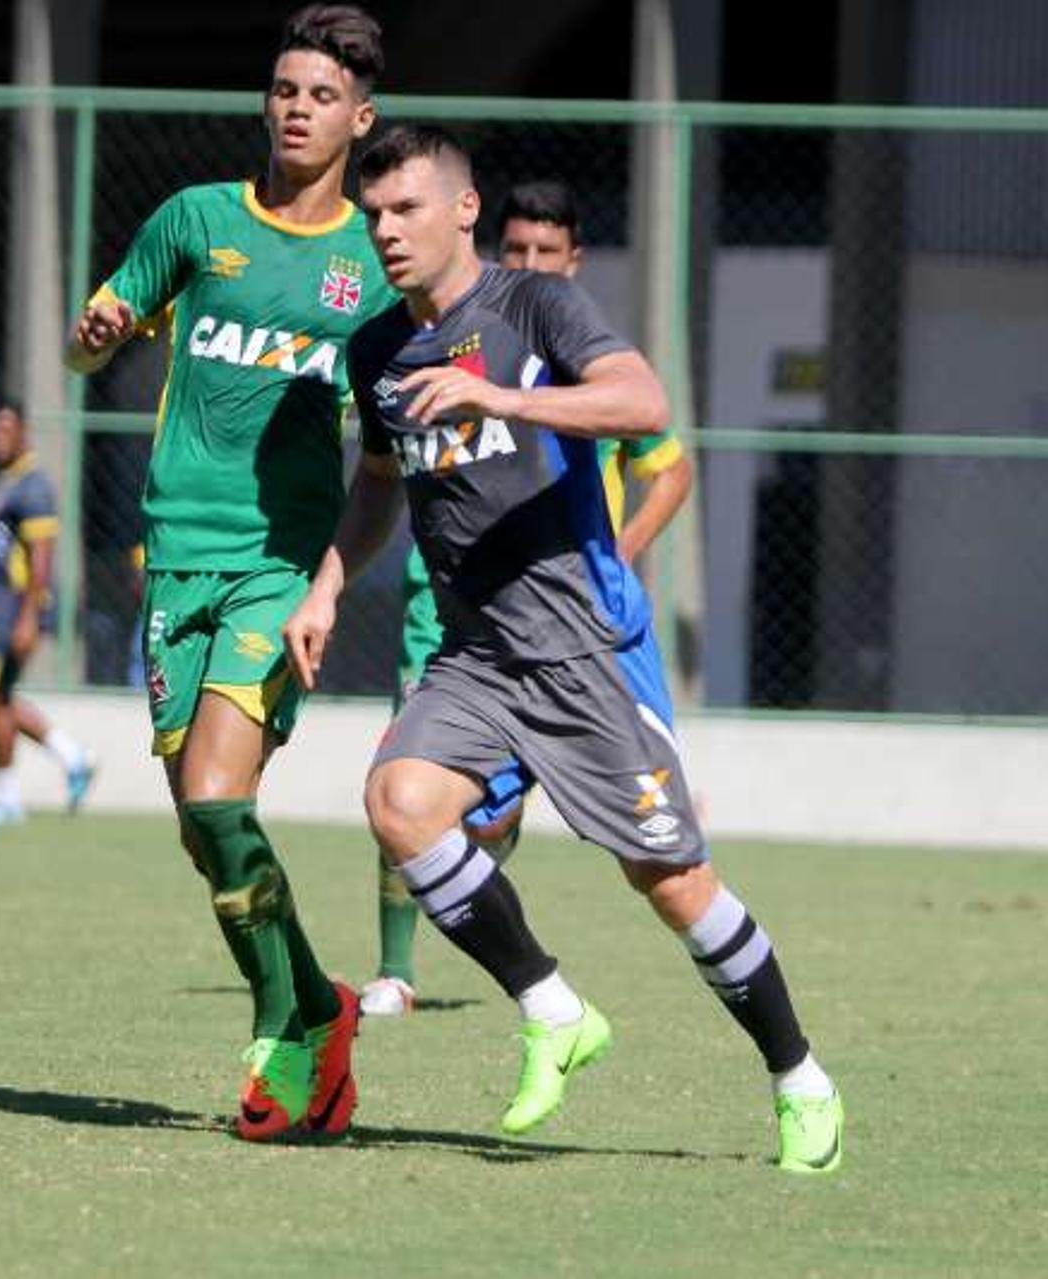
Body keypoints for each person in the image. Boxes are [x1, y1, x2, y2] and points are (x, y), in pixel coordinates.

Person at [283, 125, 843, 1172]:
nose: (385, 231)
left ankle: (798, 1072)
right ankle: (552, 1005)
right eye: (372, 216)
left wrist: (502, 394)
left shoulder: (536, 306)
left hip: (577, 654)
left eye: (405, 209)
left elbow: (645, 403)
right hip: (476, 655)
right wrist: (326, 583)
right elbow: (377, 485)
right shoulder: (377, 353)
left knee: (671, 882)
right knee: (399, 805)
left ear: (463, 209)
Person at [63, 4, 393, 1142]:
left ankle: (279, 1015)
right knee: (204, 830)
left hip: (274, 569)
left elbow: (391, 454)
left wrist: (331, 582)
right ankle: (317, 1004)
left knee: (216, 794)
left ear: (362, 116)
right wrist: (96, 329)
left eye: (321, 94)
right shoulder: (198, 220)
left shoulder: (372, 266)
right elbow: (89, 335)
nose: (298, 108)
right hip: (175, 563)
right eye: (285, 88)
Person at [361, 177, 696, 1017]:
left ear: (572, 263)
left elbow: (669, 462)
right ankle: (403, 969)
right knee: (411, 796)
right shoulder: (408, 342)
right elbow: (377, 468)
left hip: (588, 622)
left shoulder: (575, 350)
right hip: (455, 616)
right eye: (519, 251)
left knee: (657, 857)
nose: (530, 263)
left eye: (548, 254)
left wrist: (618, 551)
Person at [0, 401, 96, 826]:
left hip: (12, 610)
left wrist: (29, 616)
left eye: (5, 429)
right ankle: (73, 758)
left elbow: (41, 557)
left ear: (24, 432)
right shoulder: (4, 483)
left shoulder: (33, 486)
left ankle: (7, 797)